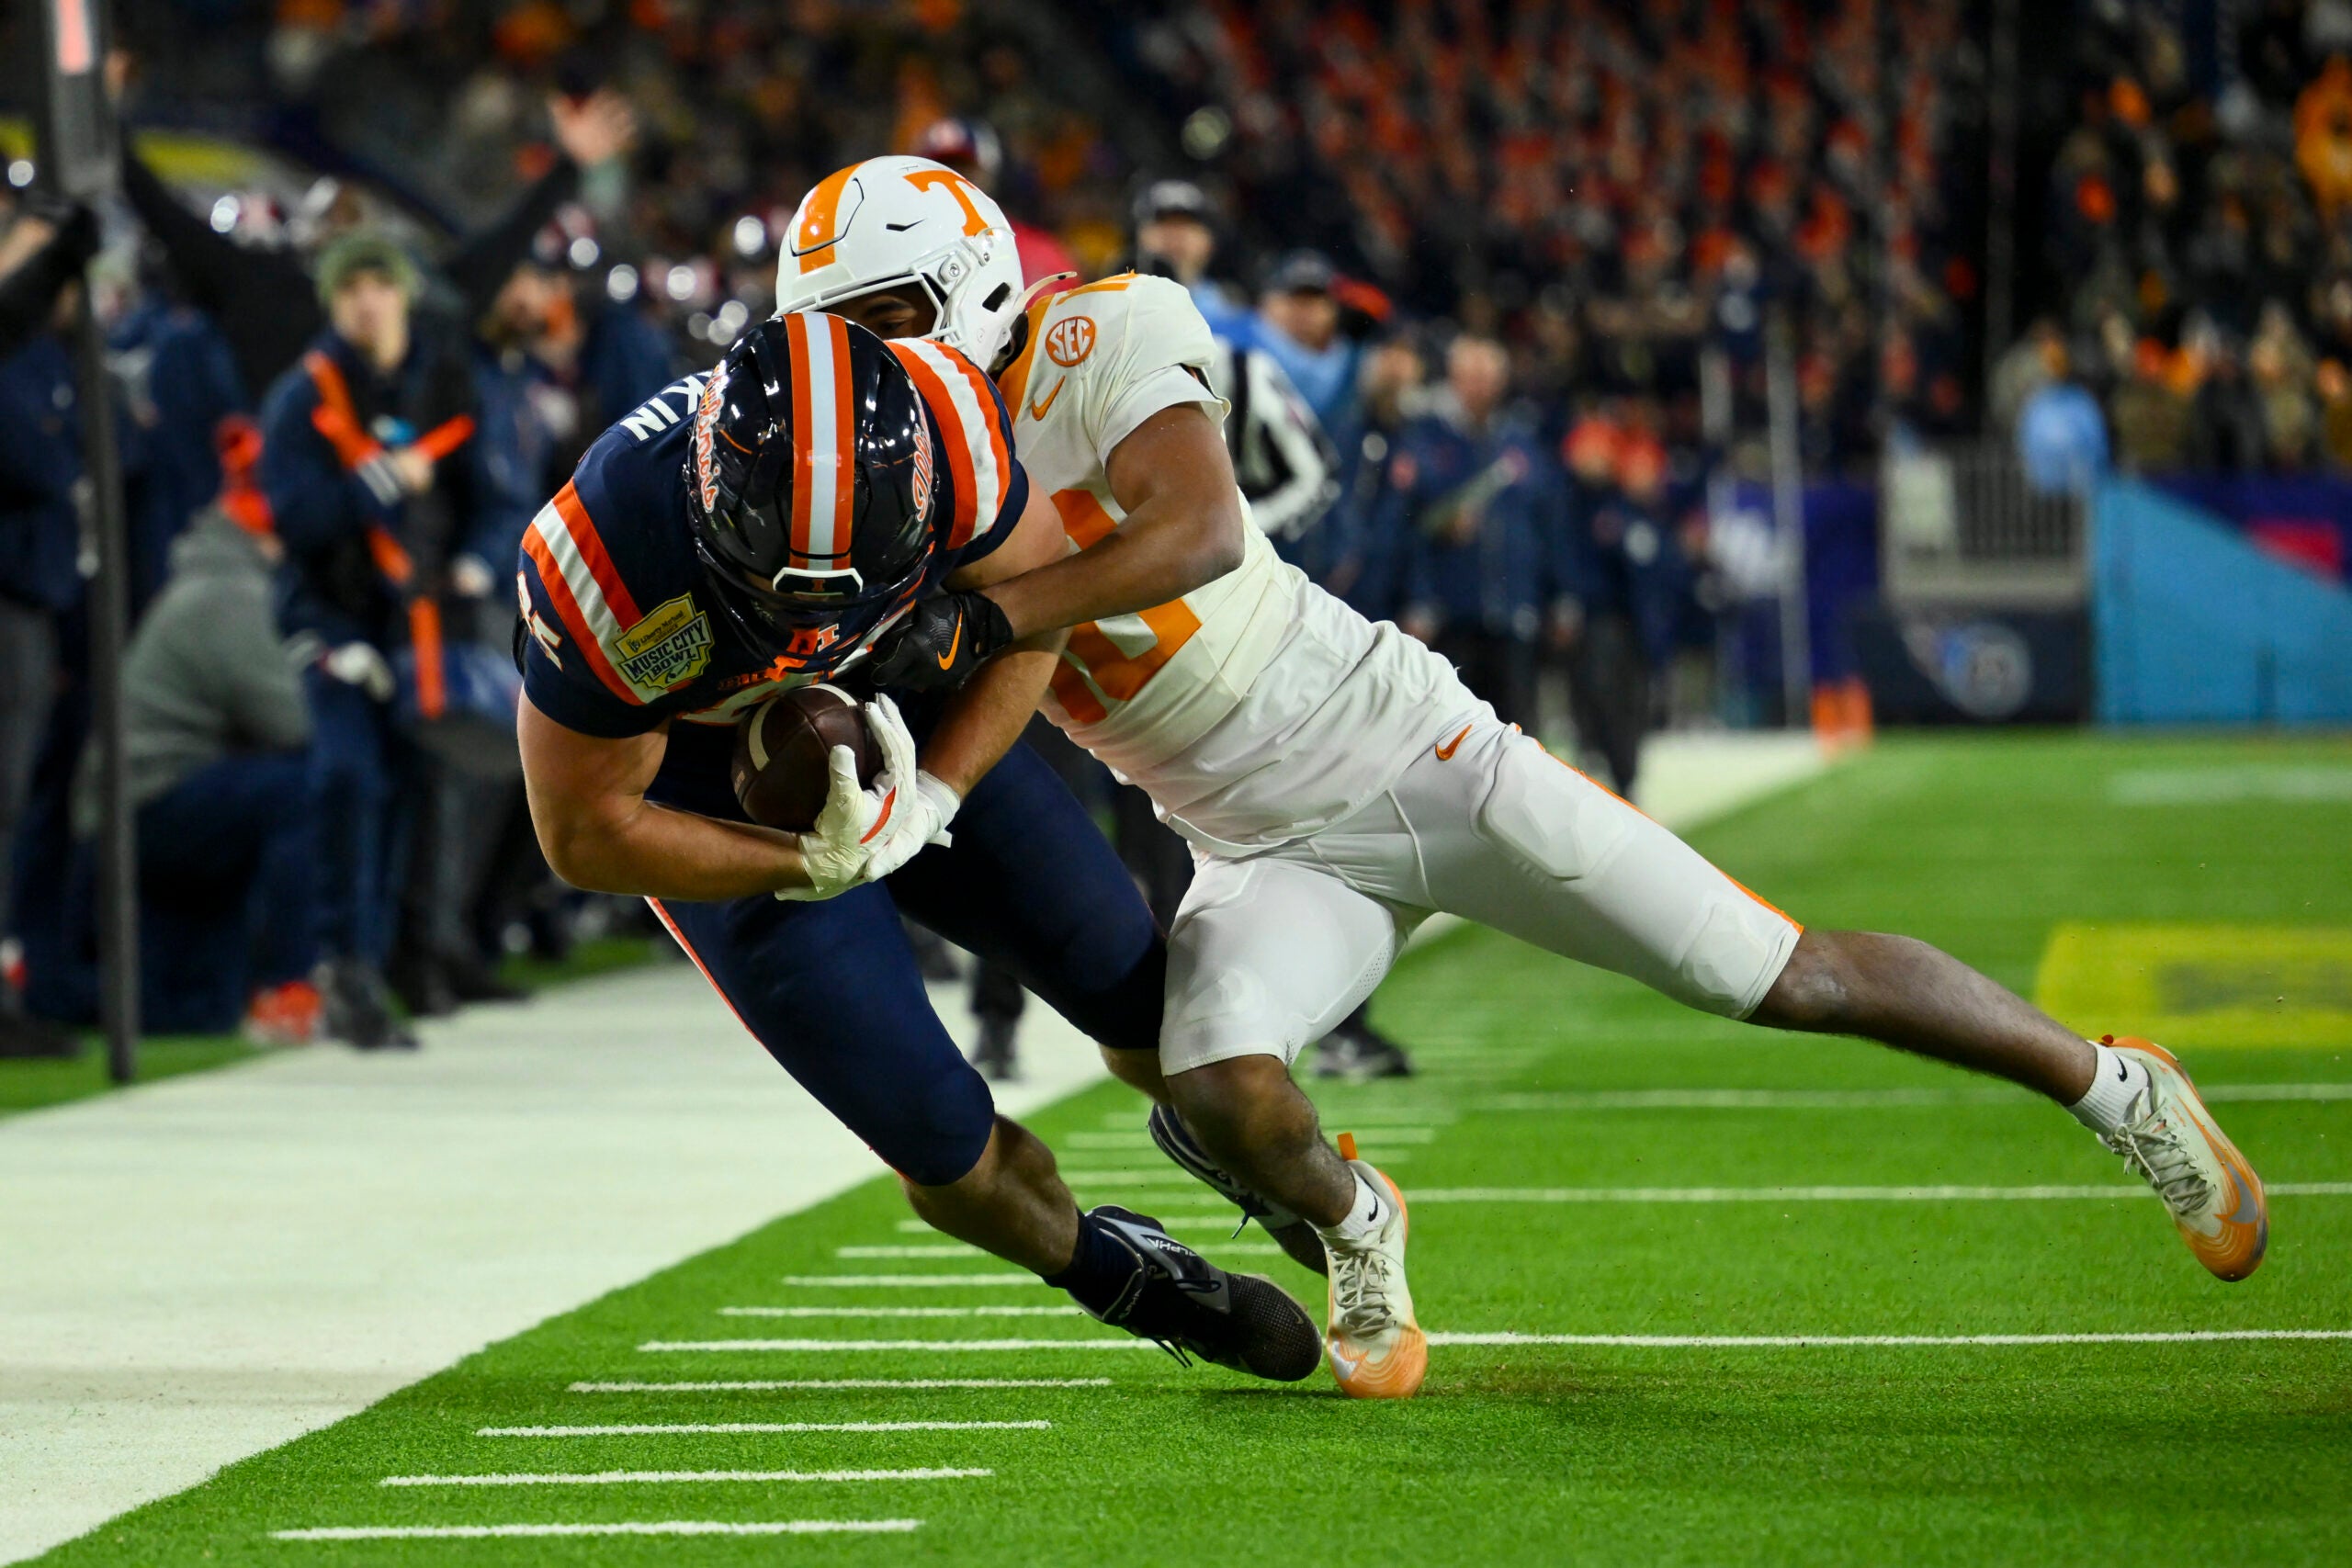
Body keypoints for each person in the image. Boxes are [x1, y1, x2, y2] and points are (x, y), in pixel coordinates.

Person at [793, 162, 2275, 1406]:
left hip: (1412, 754)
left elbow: (1193, 529)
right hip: (1245, 836)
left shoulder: (1099, 330)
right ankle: (1361, 1219)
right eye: (834, 332)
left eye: (879, 318)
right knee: (1218, 1092)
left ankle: (2113, 1085)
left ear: (969, 280)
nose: (860, 358)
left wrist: (984, 614)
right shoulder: (898, 463)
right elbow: (990, 657)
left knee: (1778, 974)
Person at [513, 303, 1317, 1382]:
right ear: (710, 502)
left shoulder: (950, 423)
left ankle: (1210, 1135)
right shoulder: (602, 561)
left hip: (904, 708)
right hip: (711, 789)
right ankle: (1111, 1272)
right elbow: (583, 832)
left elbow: (1035, 616)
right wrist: (804, 863)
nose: (808, 621)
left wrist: (936, 793)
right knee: (935, 1132)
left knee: (1133, 987)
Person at [258, 231, 481, 1048]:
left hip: (417, 623)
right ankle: (342, 965)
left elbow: (483, 485)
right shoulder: (301, 398)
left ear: (403, 292)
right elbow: (295, 519)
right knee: (348, 778)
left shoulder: (437, 379)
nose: (365, 299)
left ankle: (392, 960)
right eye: (349, 285)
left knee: (415, 788)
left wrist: (480, 564)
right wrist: (373, 484)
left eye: (378, 282)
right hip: (334, 621)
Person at [69, 498, 318, 1040]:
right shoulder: (228, 593)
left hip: (149, 798)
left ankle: (66, 991)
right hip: (146, 802)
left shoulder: (208, 580)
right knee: (300, 789)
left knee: (194, 1015)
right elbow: (291, 722)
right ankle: (291, 984)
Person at [1389, 333, 1553, 732]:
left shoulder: (1520, 438)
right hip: (1451, 613)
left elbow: (1546, 522)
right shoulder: (1425, 438)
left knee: (1518, 732)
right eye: (1471, 375)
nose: (1480, 385)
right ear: (1453, 378)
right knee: (1453, 733)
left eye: (1488, 376)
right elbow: (1409, 527)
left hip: (1512, 610)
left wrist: (1550, 594)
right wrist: (1420, 597)